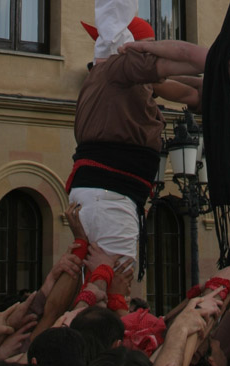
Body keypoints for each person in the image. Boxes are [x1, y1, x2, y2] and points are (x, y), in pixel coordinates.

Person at [66, 36, 207, 261]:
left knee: (103, 277)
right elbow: (184, 82)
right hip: (110, 195)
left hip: (111, 194)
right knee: (111, 280)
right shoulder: (117, 71)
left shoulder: (121, 80)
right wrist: (227, 64)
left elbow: (187, 91)